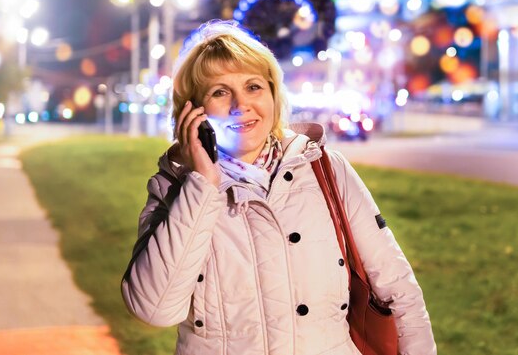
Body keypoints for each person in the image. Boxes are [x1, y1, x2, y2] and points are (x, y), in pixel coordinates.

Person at [121, 20, 437, 355]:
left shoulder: (325, 169)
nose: (241, 104)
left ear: (273, 93)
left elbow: (399, 291)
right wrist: (201, 185)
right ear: (192, 111)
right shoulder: (175, 188)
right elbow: (153, 309)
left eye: (254, 87)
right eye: (219, 91)